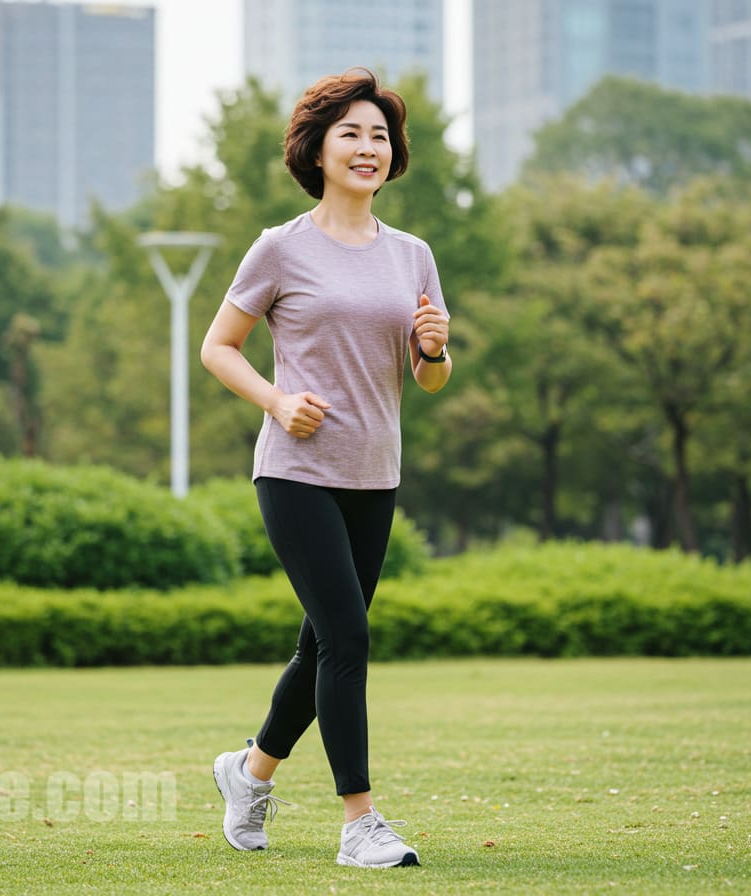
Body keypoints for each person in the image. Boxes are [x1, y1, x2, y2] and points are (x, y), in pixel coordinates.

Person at [200, 67, 452, 869]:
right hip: (296, 473)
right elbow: (217, 347)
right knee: (348, 637)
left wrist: (437, 348)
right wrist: (277, 402)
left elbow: (429, 378)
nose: (367, 147)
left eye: (380, 135)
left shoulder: (413, 255)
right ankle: (360, 824)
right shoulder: (282, 247)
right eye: (351, 133)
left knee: (319, 651)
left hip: (374, 474)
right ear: (318, 149)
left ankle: (249, 772)